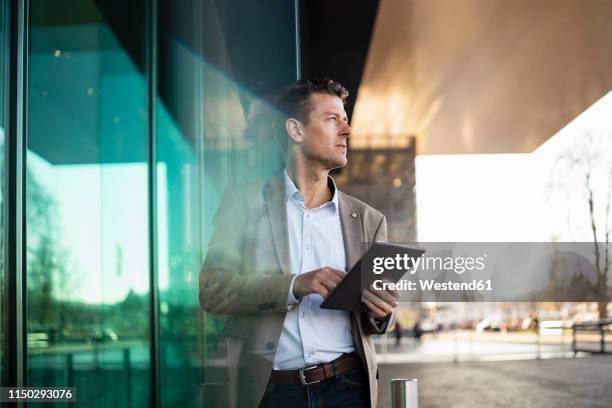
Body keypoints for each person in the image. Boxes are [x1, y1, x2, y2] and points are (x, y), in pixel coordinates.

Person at [200, 78, 399, 407]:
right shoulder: (242, 204)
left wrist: (381, 310)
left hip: (348, 387)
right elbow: (213, 291)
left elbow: (380, 322)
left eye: (345, 120)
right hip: (272, 391)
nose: (346, 130)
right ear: (295, 130)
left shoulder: (369, 220)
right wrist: (295, 285)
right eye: (333, 119)